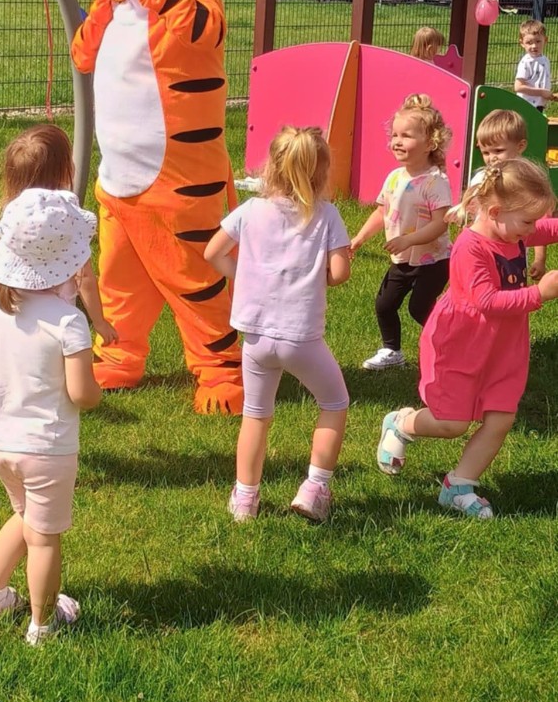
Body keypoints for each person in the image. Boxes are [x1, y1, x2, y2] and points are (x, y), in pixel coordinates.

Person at [376, 158, 558, 518]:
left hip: (505, 348)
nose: (532, 229)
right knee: (451, 424)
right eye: (527, 222)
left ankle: (459, 484)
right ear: (495, 212)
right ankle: (401, 422)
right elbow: (486, 301)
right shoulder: (470, 247)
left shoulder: (513, 230)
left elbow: (546, 228)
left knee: (501, 418)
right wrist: (541, 293)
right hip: (461, 345)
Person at [0, 188, 102, 644]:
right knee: (44, 538)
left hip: (1, 442)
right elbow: (82, 394)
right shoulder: (68, 323)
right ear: (66, 266)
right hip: (47, 449)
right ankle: (43, 624)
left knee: (24, 517)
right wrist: (97, 392)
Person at [204, 126, 351, 522]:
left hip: (255, 337)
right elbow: (340, 273)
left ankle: (245, 499)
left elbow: (212, 253)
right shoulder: (327, 215)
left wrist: (244, 275)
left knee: (256, 414)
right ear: (321, 172)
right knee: (334, 403)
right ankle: (315, 488)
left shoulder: (251, 210)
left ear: (271, 166)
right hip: (301, 337)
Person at [351, 93, 452, 370]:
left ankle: (450, 343)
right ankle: (392, 350)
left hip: (433, 260)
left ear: (430, 143)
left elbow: (440, 223)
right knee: (384, 305)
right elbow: (381, 212)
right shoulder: (394, 177)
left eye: (406, 136)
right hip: (403, 259)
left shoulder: (435, 182)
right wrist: (359, 238)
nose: (397, 141)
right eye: (394, 135)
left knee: (419, 308)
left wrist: (408, 239)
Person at [1, 125, 117, 344]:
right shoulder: (68, 222)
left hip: (18, 318)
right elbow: (84, 278)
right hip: (61, 323)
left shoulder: (13, 218)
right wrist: (99, 322)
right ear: (66, 170)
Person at [446, 108, 547, 279]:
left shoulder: (525, 180)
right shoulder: (481, 178)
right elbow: (472, 215)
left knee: (511, 284)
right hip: (483, 248)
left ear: (520, 146)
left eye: (498, 151)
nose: (491, 157)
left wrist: (540, 258)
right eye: (485, 152)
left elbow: (538, 220)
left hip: (513, 248)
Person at [514, 19, 553, 112]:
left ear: (545, 40)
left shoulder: (545, 60)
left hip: (538, 105)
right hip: (526, 105)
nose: (534, 46)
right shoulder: (526, 62)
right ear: (522, 43)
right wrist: (541, 92)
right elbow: (518, 87)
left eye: (538, 41)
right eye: (529, 42)